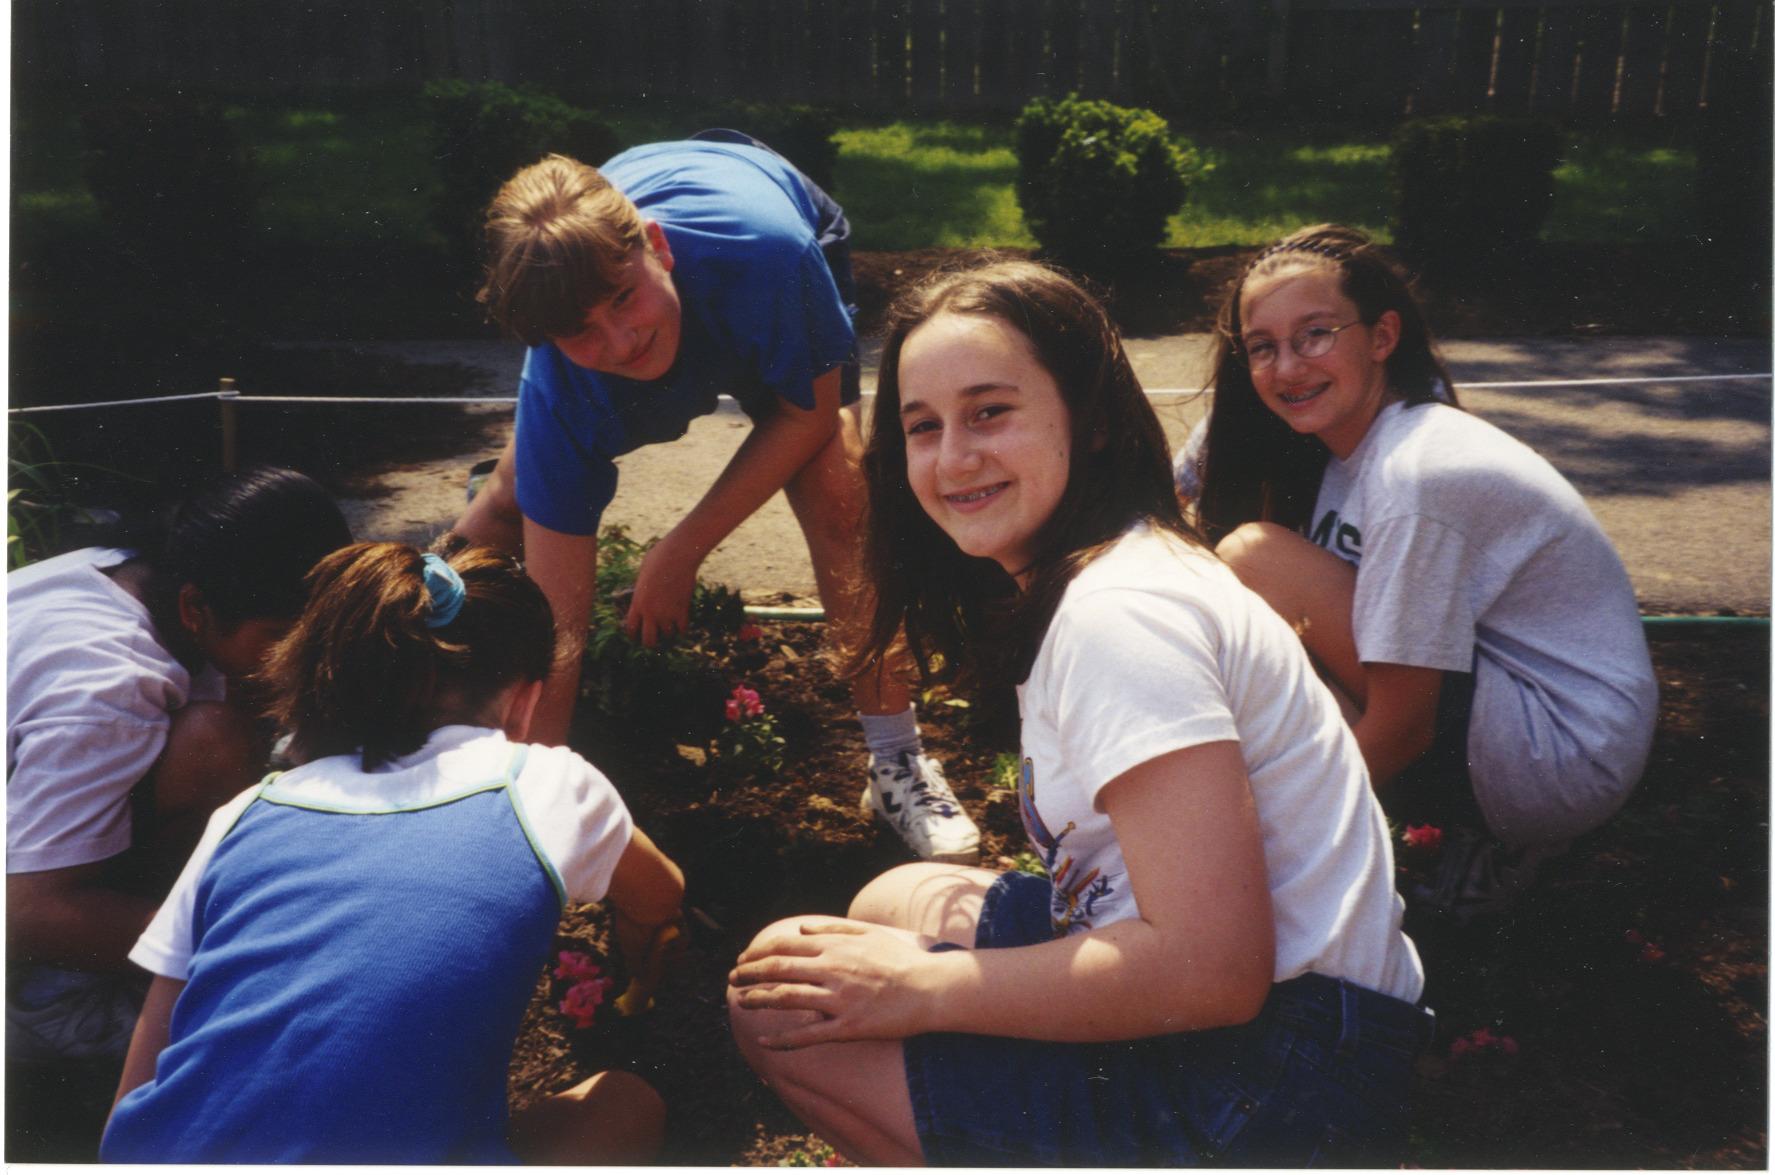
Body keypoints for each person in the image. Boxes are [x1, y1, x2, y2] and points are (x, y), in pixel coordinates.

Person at [726, 261, 1429, 1167]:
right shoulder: (1109, 571)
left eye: (990, 411)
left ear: (1090, 421)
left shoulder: (1119, 616)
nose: (953, 457)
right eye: (922, 426)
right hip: (1312, 1022)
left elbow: (1210, 972)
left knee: (777, 1001)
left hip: (1274, 1083)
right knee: (890, 901)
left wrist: (923, 990)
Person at [452, 139, 980, 864]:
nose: (621, 337)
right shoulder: (561, 386)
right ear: (547, 338)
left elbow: (806, 415)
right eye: (579, 331)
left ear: (657, 248)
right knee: (512, 498)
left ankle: (896, 762)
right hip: (630, 306)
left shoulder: (767, 255)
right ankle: (390, 699)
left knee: (837, 489)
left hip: (761, 239)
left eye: (622, 298)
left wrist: (679, 551)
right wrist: (530, 811)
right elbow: (560, 634)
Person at [100, 541, 685, 1164]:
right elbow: (660, 893)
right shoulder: (543, 785)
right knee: (625, 1105)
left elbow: (140, 1082)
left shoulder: (245, 814)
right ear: (526, 698)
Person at [1191, 224, 1658, 919]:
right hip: (1521, 736)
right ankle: (1454, 841)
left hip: (1557, 749)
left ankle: (1425, 852)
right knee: (1240, 607)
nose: (1286, 367)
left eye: (1314, 334)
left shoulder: (1417, 471)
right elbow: (1174, 482)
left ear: (1382, 337)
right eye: (1263, 347)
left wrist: (1261, 850)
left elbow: (1403, 726)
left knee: (1252, 559)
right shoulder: (1341, 435)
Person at [7, 466, 352, 1070]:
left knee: (223, 730)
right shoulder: (107, 689)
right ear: (195, 607)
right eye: (279, 635)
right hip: (25, 946)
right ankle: (66, 1009)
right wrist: (254, 954)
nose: (298, 660)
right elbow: (28, 914)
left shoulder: (127, 569)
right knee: (215, 741)